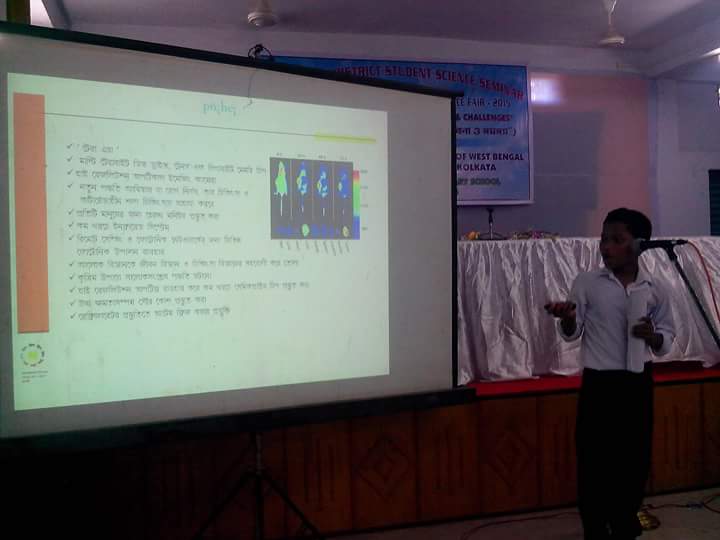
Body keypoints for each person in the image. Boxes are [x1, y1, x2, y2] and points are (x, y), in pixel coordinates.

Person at [545, 208, 676, 540]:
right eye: (604, 239)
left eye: (617, 240)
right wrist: (567, 318)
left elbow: (667, 336)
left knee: (634, 459)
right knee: (594, 460)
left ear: (639, 244)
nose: (606, 247)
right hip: (600, 385)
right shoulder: (587, 283)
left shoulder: (655, 287)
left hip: (637, 382)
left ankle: (624, 520)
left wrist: (654, 337)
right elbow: (572, 332)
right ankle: (595, 527)